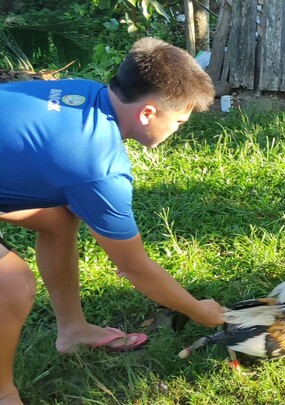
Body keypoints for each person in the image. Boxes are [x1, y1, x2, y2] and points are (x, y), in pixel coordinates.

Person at [0, 37, 225, 404]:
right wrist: (199, 310)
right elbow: (134, 267)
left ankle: (72, 331)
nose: (178, 130)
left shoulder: (84, 93)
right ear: (149, 113)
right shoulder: (99, 167)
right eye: (179, 121)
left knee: (57, 219)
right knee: (11, 287)